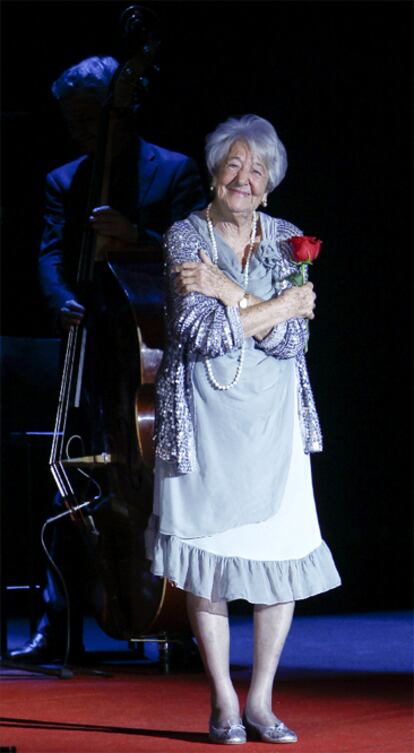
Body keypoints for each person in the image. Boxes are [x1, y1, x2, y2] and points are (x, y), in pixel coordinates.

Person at [145, 114, 341, 744]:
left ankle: (260, 701)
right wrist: (275, 306)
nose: (244, 177)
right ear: (214, 171)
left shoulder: (287, 238)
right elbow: (198, 335)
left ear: (269, 185)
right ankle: (224, 702)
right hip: (204, 419)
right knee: (209, 561)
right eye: (233, 164)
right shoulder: (184, 237)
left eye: (257, 169)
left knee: (277, 552)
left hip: (275, 422)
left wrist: (229, 290)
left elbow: (293, 337)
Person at [9, 55, 206, 664]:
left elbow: (201, 247)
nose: (78, 131)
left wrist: (136, 235)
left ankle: (184, 611)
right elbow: (47, 254)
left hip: (155, 348)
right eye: (70, 119)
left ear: (121, 111)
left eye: (88, 117)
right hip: (90, 350)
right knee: (67, 475)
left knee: (168, 479)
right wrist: (62, 298)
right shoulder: (64, 180)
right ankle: (59, 615)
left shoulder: (173, 171)